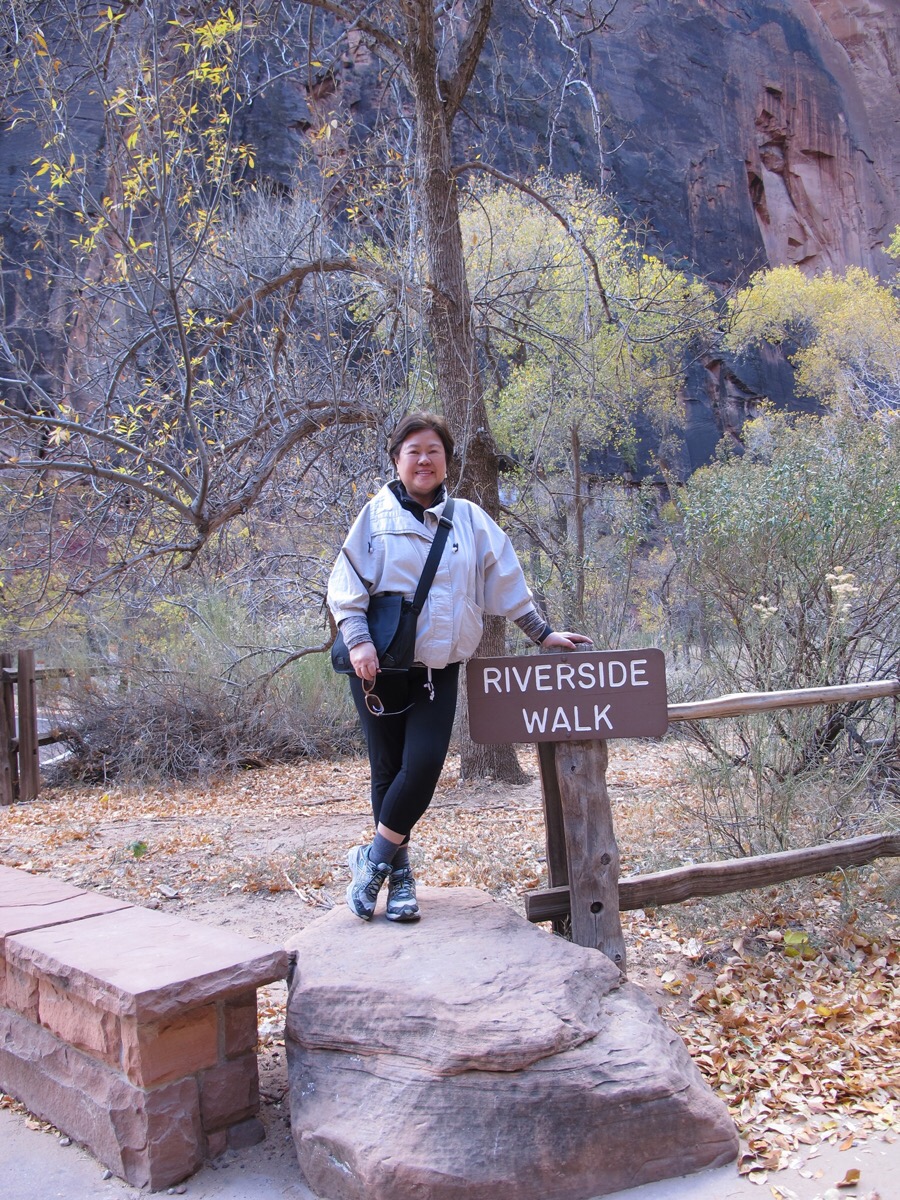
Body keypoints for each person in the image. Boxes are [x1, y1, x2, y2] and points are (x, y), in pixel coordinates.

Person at [327, 412, 592, 923]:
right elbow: (346, 585)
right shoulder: (375, 517)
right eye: (413, 451)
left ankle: (373, 858)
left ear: (447, 461)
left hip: (439, 668)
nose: (424, 460)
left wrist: (542, 633)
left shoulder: (469, 519)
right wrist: (357, 642)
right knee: (387, 771)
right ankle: (399, 880)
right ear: (396, 460)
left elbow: (505, 579)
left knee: (423, 766)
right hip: (377, 668)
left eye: (434, 451)